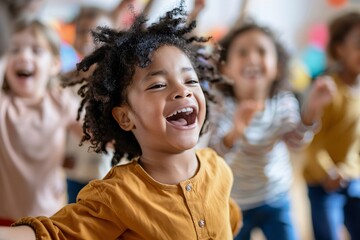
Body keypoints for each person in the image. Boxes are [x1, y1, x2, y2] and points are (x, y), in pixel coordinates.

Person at [0, 4, 242, 239]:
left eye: (191, 81)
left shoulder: (217, 168)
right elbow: (57, 234)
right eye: (158, 85)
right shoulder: (116, 196)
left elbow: (228, 221)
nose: (183, 91)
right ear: (125, 117)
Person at [208, 22, 336, 240]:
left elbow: (296, 142)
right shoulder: (222, 105)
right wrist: (236, 130)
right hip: (234, 200)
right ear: (225, 67)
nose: (252, 58)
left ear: (277, 67)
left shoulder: (283, 102)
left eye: (262, 51)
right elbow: (213, 156)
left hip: (276, 196)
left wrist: (311, 109)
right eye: (242, 52)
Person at [0, 19, 81, 226]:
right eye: (13, 50)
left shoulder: (60, 101)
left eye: (36, 50)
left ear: (54, 65)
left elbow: (91, 133)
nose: (24, 56)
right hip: (3, 215)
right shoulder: (3, 103)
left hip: (48, 216)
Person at [302, 12, 360, 240]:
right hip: (322, 182)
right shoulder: (328, 90)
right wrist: (328, 172)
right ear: (338, 49)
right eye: (358, 44)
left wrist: (350, 168)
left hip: (352, 176)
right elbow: (312, 140)